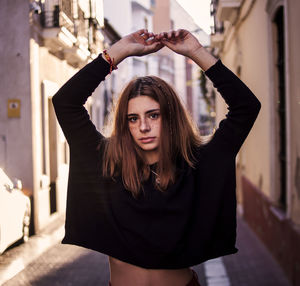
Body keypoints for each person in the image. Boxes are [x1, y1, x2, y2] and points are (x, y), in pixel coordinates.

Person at [52, 29, 261, 286]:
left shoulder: (198, 163)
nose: (143, 127)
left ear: (170, 117)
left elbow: (246, 107)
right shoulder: (107, 161)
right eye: (133, 118)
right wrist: (119, 52)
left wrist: (196, 53)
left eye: (153, 115)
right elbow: (65, 103)